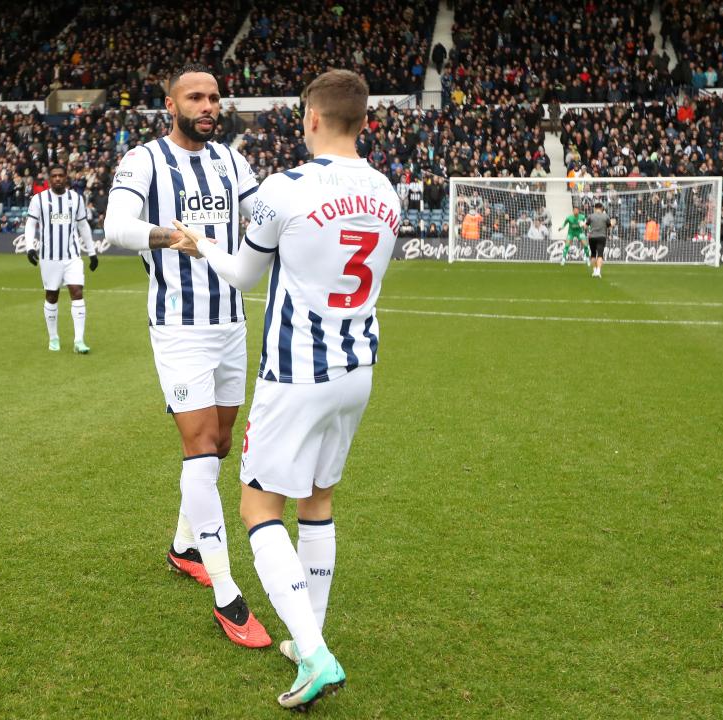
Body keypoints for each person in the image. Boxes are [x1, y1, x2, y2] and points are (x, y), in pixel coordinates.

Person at [171, 68, 399, 712]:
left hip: (298, 372)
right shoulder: (387, 189)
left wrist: (201, 243)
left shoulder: (284, 187)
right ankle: (310, 638)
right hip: (359, 368)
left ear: (314, 119)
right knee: (319, 500)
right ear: (363, 121)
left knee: (257, 508)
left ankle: (316, 653)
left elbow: (243, 274)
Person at [103, 63, 270, 649]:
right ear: (170, 104)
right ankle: (228, 594)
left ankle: (182, 548)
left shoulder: (232, 160)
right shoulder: (143, 160)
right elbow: (114, 226)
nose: (207, 106)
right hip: (178, 327)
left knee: (220, 445)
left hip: (231, 323)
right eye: (195, 97)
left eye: (214, 98)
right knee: (199, 449)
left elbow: (262, 214)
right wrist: (167, 236)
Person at [24, 164, 98, 354]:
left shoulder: (76, 198)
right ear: (49, 178)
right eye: (54, 175)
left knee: (77, 292)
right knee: (51, 296)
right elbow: (31, 224)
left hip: (72, 256)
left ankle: (79, 340)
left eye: (61, 175)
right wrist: (30, 247)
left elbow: (83, 227)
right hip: (49, 257)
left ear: (66, 177)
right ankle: (53, 338)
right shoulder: (39, 199)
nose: (57, 178)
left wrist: (92, 252)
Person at [587, 201, 610, 278]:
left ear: (595, 208)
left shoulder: (590, 216)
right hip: (601, 237)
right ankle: (598, 271)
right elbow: (609, 227)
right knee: (600, 255)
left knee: (593, 254)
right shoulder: (606, 216)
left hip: (592, 237)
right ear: (601, 208)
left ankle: (594, 270)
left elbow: (586, 226)